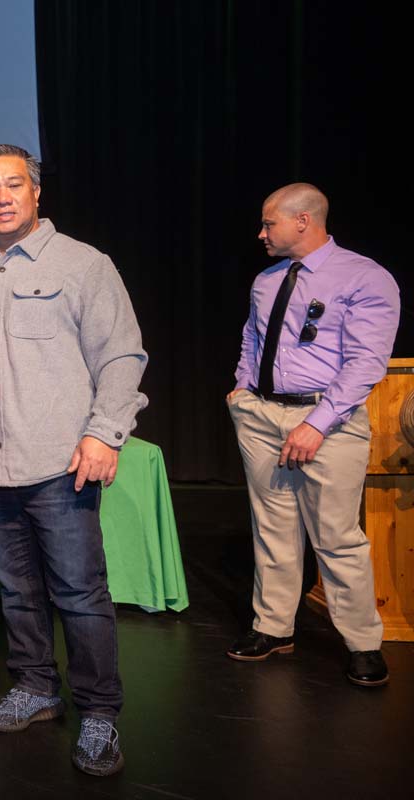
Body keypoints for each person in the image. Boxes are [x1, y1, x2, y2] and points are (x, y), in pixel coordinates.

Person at [0, 144, 148, 777]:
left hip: (62, 463)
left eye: (14, 185)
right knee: (15, 591)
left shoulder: (84, 264)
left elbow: (122, 356)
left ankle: (98, 713)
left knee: (80, 595)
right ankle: (36, 687)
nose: (3, 197)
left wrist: (106, 433)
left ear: (37, 194)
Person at [225, 182, 399, 687]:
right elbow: (252, 337)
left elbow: (367, 362)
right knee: (272, 528)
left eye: (268, 223)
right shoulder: (266, 279)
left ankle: (363, 642)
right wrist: (241, 391)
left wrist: (315, 424)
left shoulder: (365, 277)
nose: (261, 233)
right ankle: (274, 626)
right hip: (261, 417)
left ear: (303, 220)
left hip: (329, 420)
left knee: (337, 538)